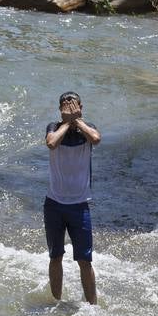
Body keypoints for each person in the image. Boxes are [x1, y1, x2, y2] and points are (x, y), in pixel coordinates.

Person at [43, 91, 101, 304]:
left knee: (85, 260)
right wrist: (66, 123)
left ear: (80, 107)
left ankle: (92, 306)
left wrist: (76, 120)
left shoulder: (89, 129)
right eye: (64, 105)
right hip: (54, 204)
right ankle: (56, 301)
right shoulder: (53, 127)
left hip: (79, 206)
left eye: (72, 104)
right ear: (59, 110)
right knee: (55, 256)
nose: (68, 106)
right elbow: (51, 143)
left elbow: (95, 139)